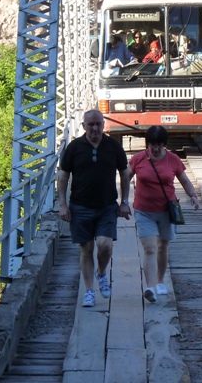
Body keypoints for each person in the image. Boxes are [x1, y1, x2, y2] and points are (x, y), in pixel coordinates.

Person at [57, 109, 132, 307]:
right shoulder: (74, 147)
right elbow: (63, 176)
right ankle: (89, 291)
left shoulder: (113, 146)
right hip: (80, 207)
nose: (95, 128)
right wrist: (62, 205)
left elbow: (125, 174)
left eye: (98, 124)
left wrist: (125, 202)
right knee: (87, 248)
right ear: (83, 126)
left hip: (107, 206)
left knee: (105, 245)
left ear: (103, 125)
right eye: (91, 124)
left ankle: (101, 274)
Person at [127, 125, 199, 303]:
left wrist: (193, 196)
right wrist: (120, 200)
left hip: (167, 210)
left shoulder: (173, 159)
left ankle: (160, 281)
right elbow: (125, 176)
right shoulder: (138, 159)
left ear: (164, 144)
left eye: (159, 144)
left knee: (163, 246)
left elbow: (184, 180)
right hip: (144, 210)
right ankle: (150, 287)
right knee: (150, 248)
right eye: (152, 144)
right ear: (147, 144)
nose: (155, 148)